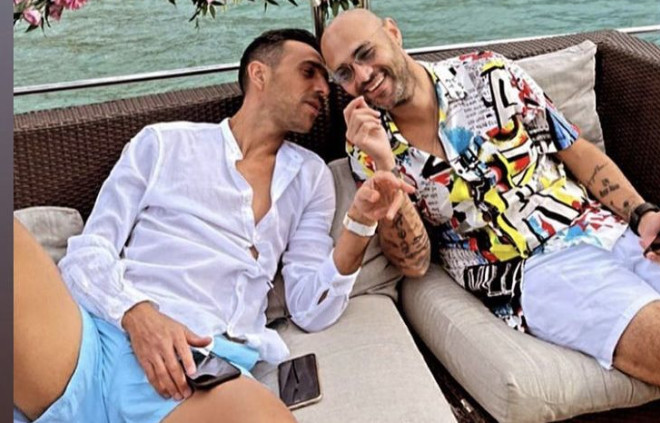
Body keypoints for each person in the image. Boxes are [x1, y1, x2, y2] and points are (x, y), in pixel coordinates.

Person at [321, 10, 660, 423]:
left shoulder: (489, 74)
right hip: (536, 273)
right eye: (345, 73)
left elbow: (576, 151)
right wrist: (385, 167)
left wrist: (642, 215)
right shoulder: (367, 147)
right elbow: (412, 263)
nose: (363, 76)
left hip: (603, 227)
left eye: (366, 53)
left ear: (393, 33)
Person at [13, 28, 413, 423]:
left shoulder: (310, 177)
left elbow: (310, 308)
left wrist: (361, 223)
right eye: (309, 72)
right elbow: (88, 252)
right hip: (98, 343)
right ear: (259, 74)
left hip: (199, 370)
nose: (324, 89)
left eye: (326, 79)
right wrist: (138, 316)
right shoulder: (163, 144)